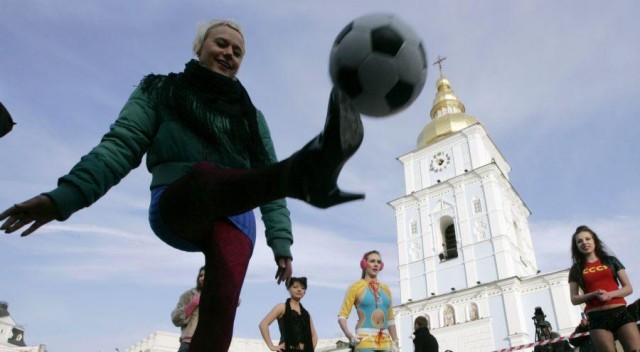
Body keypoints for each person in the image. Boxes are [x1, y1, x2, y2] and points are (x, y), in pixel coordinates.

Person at [0, 19, 364, 352]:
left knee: (220, 314)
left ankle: (298, 175)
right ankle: (301, 172)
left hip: (237, 220)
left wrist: (281, 242)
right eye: (221, 44)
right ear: (199, 47)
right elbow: (120, 145)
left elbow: (266, 187)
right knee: (206, 174)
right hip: (180, 201)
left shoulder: (253, 118)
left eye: (237, 52)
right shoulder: (162, 89)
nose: (229, 54)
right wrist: (64, 197)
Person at [568, 225, 640, 352]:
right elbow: (574, 299)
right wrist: (593, 294)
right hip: (596, 318)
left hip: (620, 313)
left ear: (594, 240)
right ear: (576, 247)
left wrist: (610, 295)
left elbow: (628, 288)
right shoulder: (576, 269)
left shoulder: (611, 261)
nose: (584, 243)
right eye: (579, 241)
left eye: (587, 239)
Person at [338, 250, 399, 352]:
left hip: (386, 342)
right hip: (364, 340)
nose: (376, 264)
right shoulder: (355, 287)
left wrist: (396, 342)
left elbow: (390, 319)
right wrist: (349, 336)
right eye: (372, 261)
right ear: (364, 264)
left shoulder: (386, 289)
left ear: (381, 266)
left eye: (379, 262)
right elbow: (342, 316)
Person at [259, 277, 318, 351]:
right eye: (295, 287)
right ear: (289, 288)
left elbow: (314, 336)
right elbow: (263, 324)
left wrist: (308, 348)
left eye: (303, 288)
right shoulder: (282, 307)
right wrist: (272, 346)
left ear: (305, 292)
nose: (299, 290)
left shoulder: (306, 313)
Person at [172, 267, 205, 352]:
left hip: (208, 343)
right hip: (188, 343)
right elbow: (176, 319)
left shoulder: (217, 296)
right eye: (200, 275)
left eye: (206, 275)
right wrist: (192, 304)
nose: (202, 278)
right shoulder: (188, 295)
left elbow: (235, 301)